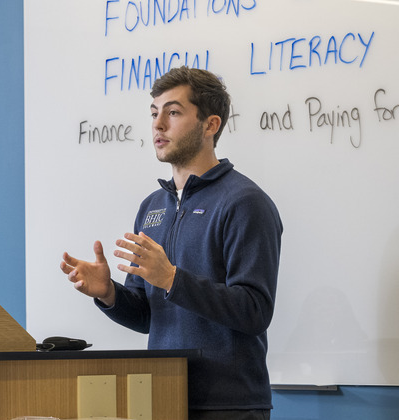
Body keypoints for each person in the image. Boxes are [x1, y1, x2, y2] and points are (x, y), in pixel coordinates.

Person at [60, 67, 282, 420]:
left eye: (173, 112)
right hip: (162, 398)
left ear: (210, 125)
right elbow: (148, 317)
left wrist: (172, 279)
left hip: (229, 406)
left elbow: (255, 311)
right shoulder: (152, 207)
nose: (158, 124)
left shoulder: (244, 203)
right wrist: (110, 294)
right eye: (154, 113)